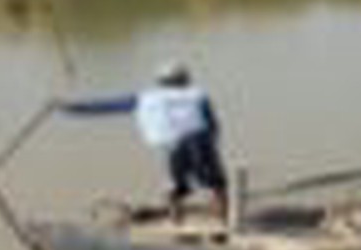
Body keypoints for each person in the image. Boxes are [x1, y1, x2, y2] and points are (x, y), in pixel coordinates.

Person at [58, 61, 231, 223]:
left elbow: (106, 106)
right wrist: (211, 147)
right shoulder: (197, 95)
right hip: (198, 141)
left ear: (160, 82)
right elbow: (212, 125)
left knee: (177, 187)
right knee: (217, 185)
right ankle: (223, 225)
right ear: (185, 80)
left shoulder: (145, 97)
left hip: (173, 146)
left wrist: (71, 108)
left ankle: (177, 225)